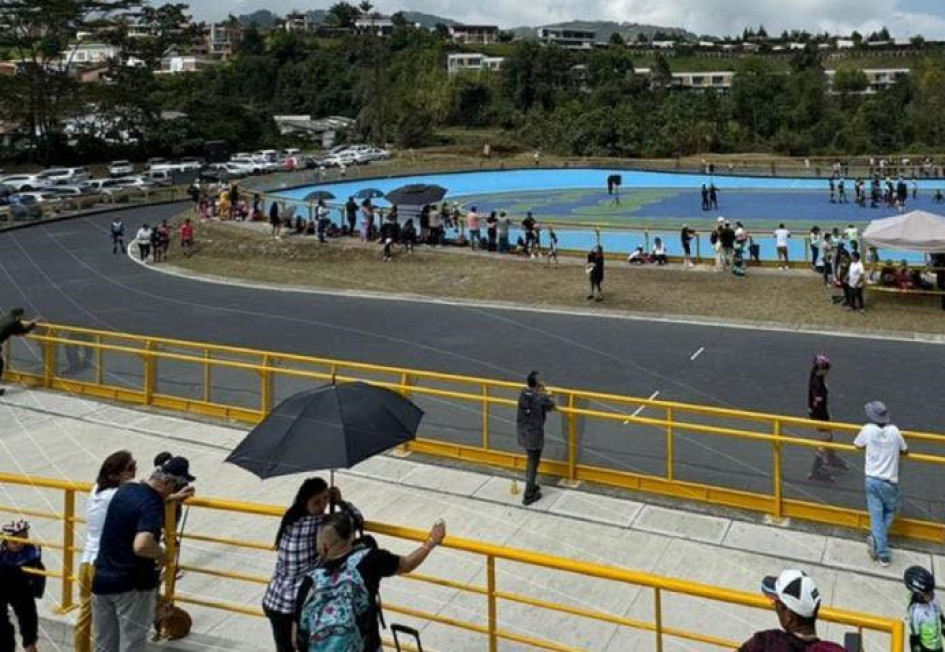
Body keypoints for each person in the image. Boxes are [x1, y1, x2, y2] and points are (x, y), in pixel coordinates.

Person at [294, 513, 445, 652]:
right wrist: (431, 541)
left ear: (324, 545)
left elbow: (295, 638)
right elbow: (407, 564)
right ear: (352, 535)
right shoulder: (370, 559)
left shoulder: (310, 580)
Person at [92, 457, 195, 652]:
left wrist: (169, 499)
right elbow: (141, 544)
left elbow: (140, 504)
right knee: (132, 642)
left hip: (103, 580)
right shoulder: (151, 505)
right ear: (168, 483)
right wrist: (163, 554)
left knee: (104, 644)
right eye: (176, 485)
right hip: (132, 586)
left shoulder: (126, 490)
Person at [263, 478, 360, 652]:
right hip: (295, 608)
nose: (322, 505)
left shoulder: (291, 518)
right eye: (317, 501)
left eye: (325, 499)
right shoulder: (319, 524)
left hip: (274, 601)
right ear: (305, 501)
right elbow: (356, 521)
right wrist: (340, 502)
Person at [75, 451, 137, 652]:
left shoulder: (96, 490)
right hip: (104, 567)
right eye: (130, 467)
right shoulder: (118, 496)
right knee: (108, 623)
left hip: (86, 562)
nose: (135, 469)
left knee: (85, 615)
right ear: (114, 475)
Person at [854, 401, 908, 567]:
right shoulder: (894, 431)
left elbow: (857, 445)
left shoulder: (867, 429)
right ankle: (882, 552)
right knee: (891, 509)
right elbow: (905, 450)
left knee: (876, 516)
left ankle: (878, 544)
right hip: (889, 481)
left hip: (871, 479)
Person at [738, 569, 843, 651]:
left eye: (777, 605)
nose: (775, 608)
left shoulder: (765, 643)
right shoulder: (834, 650)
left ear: (789, 617)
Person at [0, 520, 43, 652]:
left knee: (26, 613)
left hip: (21, 585)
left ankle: (29, 643)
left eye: (24, 539)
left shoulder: (32, 550)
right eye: (14, 541)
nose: (20, 544)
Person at [516, 371, 556, 506]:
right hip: (533, 435)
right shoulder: (540, 398)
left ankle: (531, 485)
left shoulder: (523, 394)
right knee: (533, 463)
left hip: (523, 432)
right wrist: (545, 393)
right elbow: (551, 405)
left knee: (530, 460)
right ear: (537, 385)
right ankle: (528, 494)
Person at [806, 355, 847, 483]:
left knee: (829, 434)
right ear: (822, 369)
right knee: (826, 437)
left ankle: (831, 457)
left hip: (820, 412)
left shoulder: (816, 375)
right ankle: (816, 469)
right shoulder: (818, 385)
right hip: (819, 414)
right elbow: (817, 404)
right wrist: (823, 420)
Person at [904, 565, 945, 652]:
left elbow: (940, 616)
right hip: (926, 648)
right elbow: (914, 636)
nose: (932, 595)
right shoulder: (915, 612)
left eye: (932, 591)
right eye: (928, 594)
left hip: (938, 644)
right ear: (918, 594)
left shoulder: (933, 599)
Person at [0, 308, 38, 397]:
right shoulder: (15, 322)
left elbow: (12, 330)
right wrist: (33, 324)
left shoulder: (4, 318)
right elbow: (23, 331)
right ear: (20, 315)